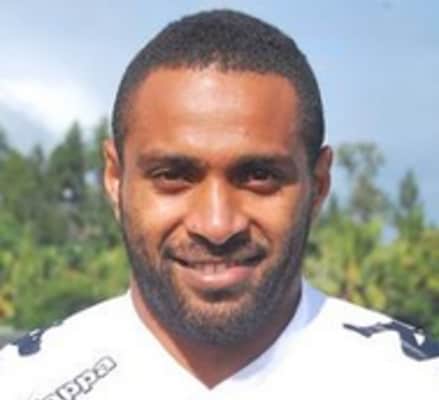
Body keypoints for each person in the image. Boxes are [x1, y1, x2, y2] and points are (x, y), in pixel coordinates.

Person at [1, 9, 437, 399]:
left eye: (258, 176)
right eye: (173, 176)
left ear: (318, 185)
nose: (216, 225)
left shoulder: (415, 383)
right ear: (115, 179)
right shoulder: (23, 384)